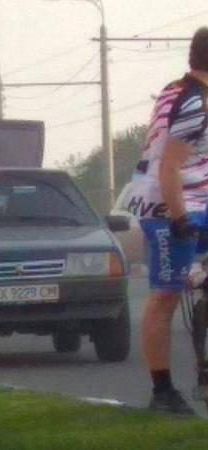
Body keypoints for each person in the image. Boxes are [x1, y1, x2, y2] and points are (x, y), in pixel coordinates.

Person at [124, 27, 208, 415]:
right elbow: (170, 167)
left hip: (198, 199)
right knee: (166, 295)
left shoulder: (178, 88)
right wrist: (180, 220)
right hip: (173, 206)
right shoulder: (193, 102)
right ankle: (163, 391)